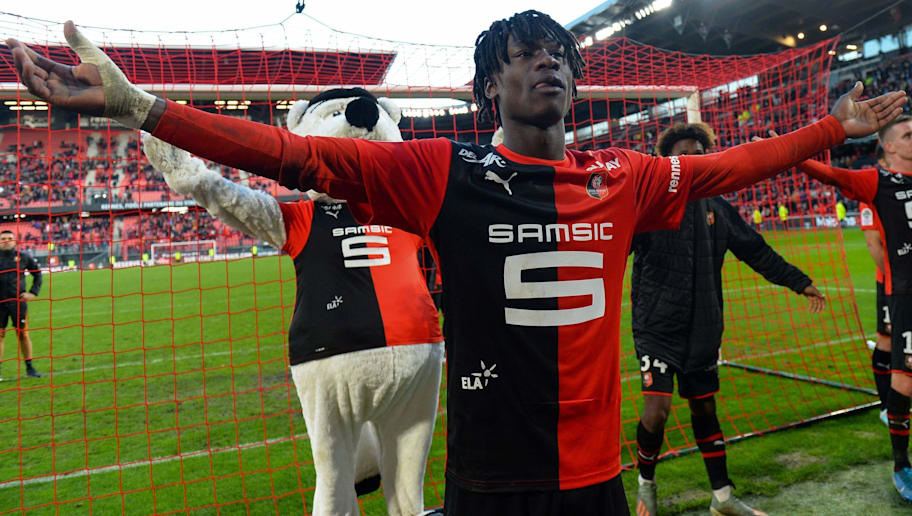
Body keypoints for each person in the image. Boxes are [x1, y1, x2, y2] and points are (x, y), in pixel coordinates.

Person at [7, 13, 905, 515]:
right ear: (487, 89)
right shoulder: (442, 172)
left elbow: (727, 167)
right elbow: (298, 159)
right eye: (523, 58)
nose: (546, 66)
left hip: (593, 487)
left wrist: (835, 130)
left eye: (557, 55)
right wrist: (143, 108)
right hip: (489, 483)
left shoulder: (625, 176)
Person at [141, 87, 447, 516]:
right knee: (358, 478)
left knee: (375, 481)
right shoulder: (306, 218)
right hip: (367, 352)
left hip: (392, 354)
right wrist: (186, 172)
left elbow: (231, 200)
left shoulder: (407, 209)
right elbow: (233, 200)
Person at [631, 123, 826, 516]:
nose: (693, 161)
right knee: (657, 411)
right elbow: (616, 246)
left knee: (705, 410)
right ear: (668, 161)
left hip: (704, 328)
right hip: (657, 328)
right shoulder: (650, 205)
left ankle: (722, 498)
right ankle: (645, 488)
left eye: (700, 154)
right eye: (684, 155)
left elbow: (756, 250)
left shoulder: (718, 207)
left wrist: (798, 281)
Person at [766, 114, 912, 502]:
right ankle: (902, 464)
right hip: (907, 296)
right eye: (908, 135)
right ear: (889, 147)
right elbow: (829, 175)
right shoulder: (876, 182)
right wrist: (792, 151)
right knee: (905, 382)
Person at [0, 230, 43, 379]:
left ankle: (30, 368)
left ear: (15, 241)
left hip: (18, 302)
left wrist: (32, 292)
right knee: (0, 335)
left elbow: (37, 274)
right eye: (3, 238)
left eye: (9, 238)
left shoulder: (23, 257)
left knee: (23, 334)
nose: (6, 241)